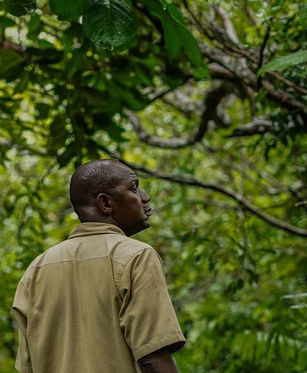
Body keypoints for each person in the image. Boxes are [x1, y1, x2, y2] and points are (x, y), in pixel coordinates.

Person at [12, 159, 185, 373]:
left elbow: (27, 367)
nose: (145, 197)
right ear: (105, 203)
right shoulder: (136, 256)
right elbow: (153, 356)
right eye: (134, 188)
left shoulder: (36, 270)